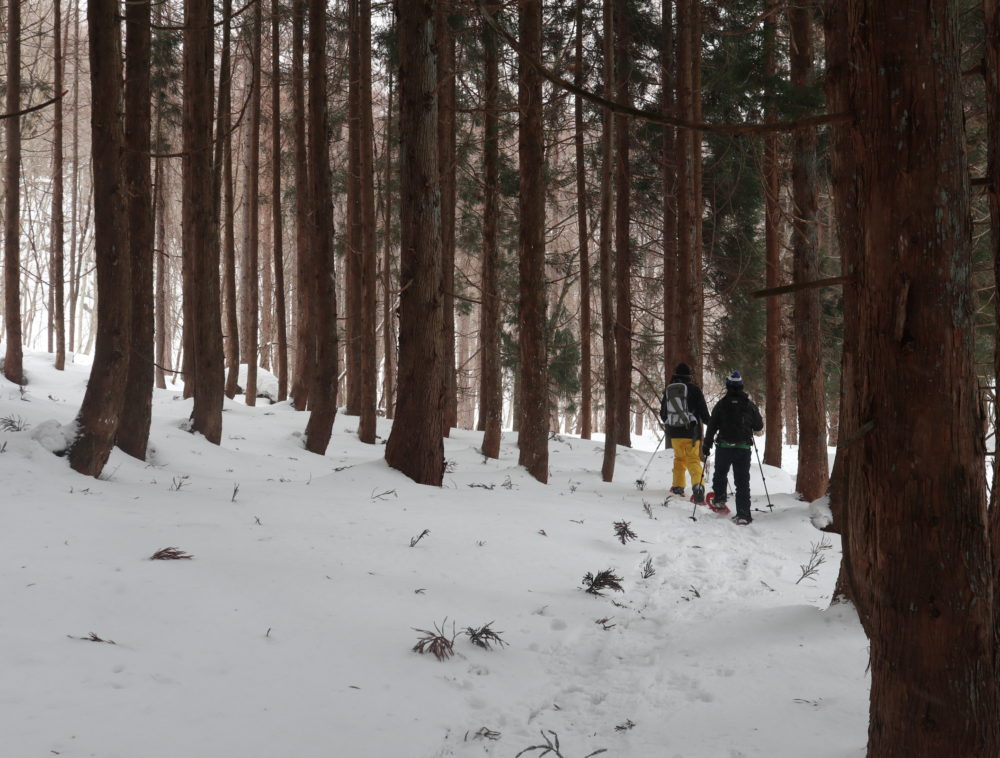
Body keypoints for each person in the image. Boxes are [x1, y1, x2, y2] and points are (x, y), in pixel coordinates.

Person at [701, 370, 764, 525]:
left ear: (728, 386)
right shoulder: (749, 405)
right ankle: (743, 514)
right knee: (742, 481)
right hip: (743, 449)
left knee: (720, 474)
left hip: (724, 447)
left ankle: (720, 500)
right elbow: (759, 425)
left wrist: (706, 445)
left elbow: (712, 426)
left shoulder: (721, 404)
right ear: (741, 386)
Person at [659, 362, 711, 503]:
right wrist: (711, 426)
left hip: (674, 433)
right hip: (692, 432)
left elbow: (663, 413)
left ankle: (677, 486)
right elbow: (704, 413)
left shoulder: (669, 390)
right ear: (689, 375)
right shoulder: (694, 389)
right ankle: (698, 486)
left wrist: (671, 423)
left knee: (679, 458)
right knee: (693, 460)